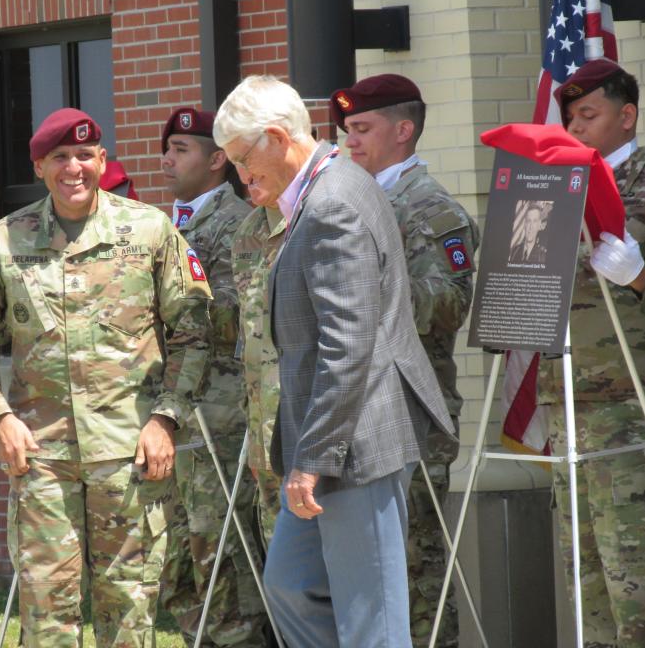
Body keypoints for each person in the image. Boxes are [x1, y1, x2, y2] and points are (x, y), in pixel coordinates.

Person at [0, 107, 213, 646]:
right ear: (40, 166)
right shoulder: (5, 241)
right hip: (41, 460)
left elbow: (194, 331)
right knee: (47, 621)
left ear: (103, 160)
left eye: (85, 156)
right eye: (60, 158)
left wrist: (165, 418)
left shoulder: (148, 231)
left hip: (131, 457)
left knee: (130, 618)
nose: (75, 168)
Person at [214, 75, 455, 647]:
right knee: (291, 586)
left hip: (357, 442)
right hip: (331, 440)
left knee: (373, 621)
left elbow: (348, 346)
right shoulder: (328, 189)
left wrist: (313, 459)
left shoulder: (331, 203)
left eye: (244, 161)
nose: (243, 178)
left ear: (277, 137)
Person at [542, 58, 645, 647]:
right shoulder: (556, 190)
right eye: (569, 116)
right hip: (568, 393)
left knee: (634, 566)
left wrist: (640, 277)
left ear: (626, 115)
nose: (576, 127)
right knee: (583, 569)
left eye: (590, 114)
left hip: (636, 394)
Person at [329, 73, 480, 648]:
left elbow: (449, 304)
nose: (351, 142)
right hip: (361, 411)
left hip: (414, 411)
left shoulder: (432, 211)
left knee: (415, 563)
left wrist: (365, 279)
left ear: (404, 129)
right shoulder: (356, 203)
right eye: (347, 131)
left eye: (363, 129)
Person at [157, 107, 268, 646]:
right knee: (175, 560)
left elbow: (240, 314)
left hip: (219, 412)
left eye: (181, 149)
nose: (167, 159)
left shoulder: (240, 222)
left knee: (221, 550)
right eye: (168, 148)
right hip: (169, 414)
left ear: (218, 159)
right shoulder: (158, 227)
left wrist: (165, 308)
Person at [230, 177, 287, 547]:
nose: (245, 172)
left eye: (251, 157)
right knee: (281, 569)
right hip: (264, 434)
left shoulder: (314, 217)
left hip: (308, 434)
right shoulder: (249, 231)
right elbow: (249, 335)